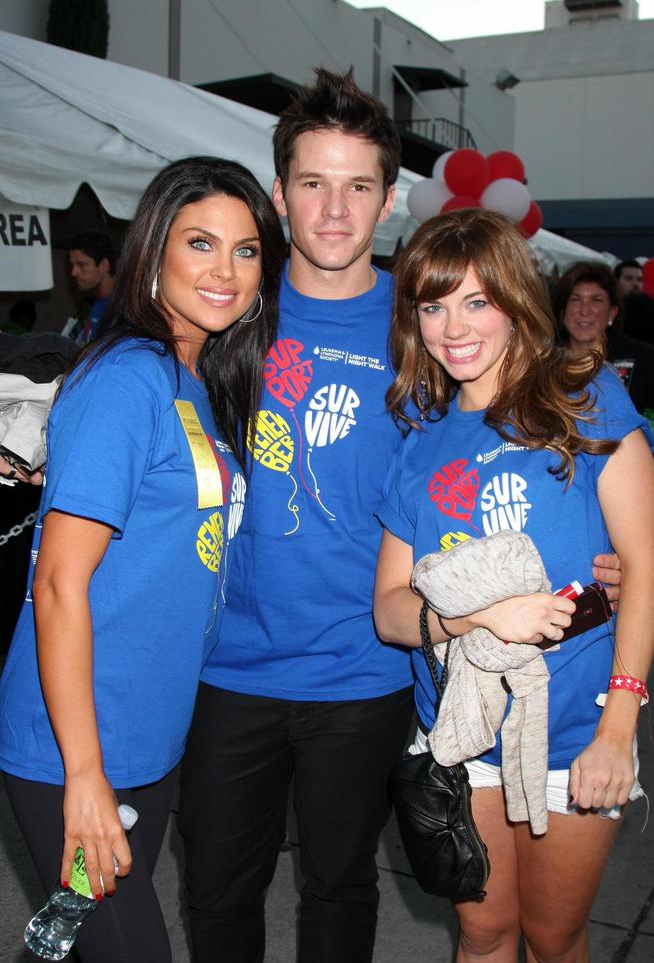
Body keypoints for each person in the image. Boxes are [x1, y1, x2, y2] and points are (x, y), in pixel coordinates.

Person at [178, 70, 622, 963]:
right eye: (312, 182)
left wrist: (594, 553)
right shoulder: (228, 312)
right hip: (228, 664)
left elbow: (502, 439)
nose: (334, 209)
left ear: (386, 202)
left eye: (357, 186)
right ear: (278, 194)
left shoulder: (424, 324)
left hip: (367, 673)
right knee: (218, 891)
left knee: (342, 891)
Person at [0, 156, 285, 963]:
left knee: (73, 942)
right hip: (78, 745)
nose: (224, 271)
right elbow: (58, 582)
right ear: (155, 250)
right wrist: (83, 777)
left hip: (150, 737)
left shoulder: (196, 376)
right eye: (200, 243)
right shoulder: (130, 376)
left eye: (246, 249)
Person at [374, 208, 653, 963]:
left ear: (515, 300)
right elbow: (393, 611)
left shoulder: (585, 394)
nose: (451, 326)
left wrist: (619, 733)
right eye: (432, 305)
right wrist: (478, 617)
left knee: (554, 939)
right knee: (484, 933)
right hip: (460, 741)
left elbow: (646, 564)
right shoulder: (420, 444)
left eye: (475, 301)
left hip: (577, 734)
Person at [554, 261, 654, 420]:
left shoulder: (643, 357)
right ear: (562, 311)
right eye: (575, 299)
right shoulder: (543, 362)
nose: (584, 310)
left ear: (612, 313)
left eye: (596, 300)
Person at [68, 231, 117, 343]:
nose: (74, 272)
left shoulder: (123, 310)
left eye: (81, 265)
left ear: (103, 265)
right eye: (73, 265)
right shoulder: (99, 304)